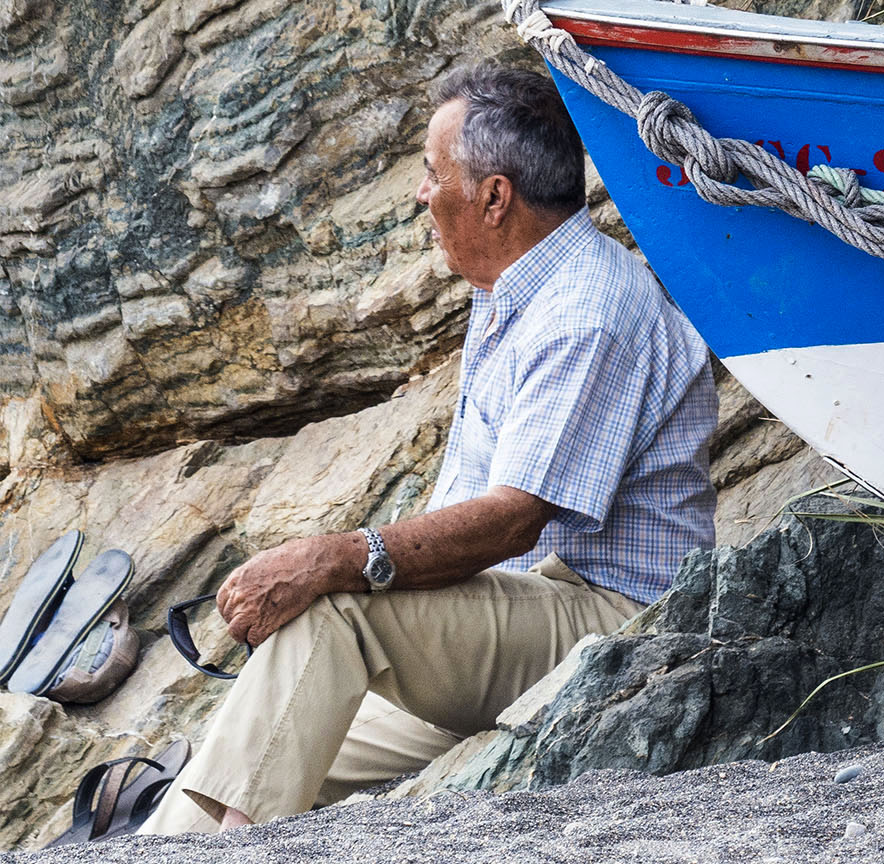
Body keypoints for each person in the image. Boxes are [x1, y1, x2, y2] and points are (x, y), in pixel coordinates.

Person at [140, 63, 717, 834]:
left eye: (430, 173)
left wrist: (338, 557)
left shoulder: (589, 308)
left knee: (334, 606)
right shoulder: (514, 286)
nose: (420, 194)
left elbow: (513, 523)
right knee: (226, 769)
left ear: (494, 196)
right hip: (516, 613)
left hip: (610, 620)